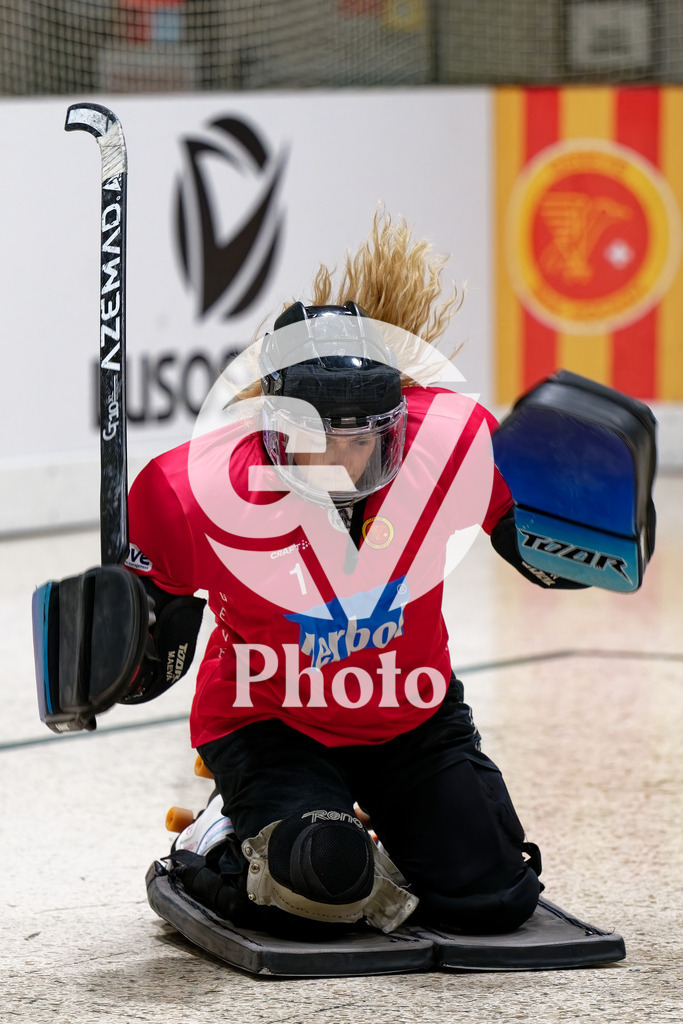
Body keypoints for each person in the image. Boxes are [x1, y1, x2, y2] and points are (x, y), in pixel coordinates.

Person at [38, 211, 594, 939]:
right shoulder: (191, 491)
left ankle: (371, 824)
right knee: (321, 890)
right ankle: (213, 839)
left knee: (494, 899)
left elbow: (540, 549)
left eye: (363, 439)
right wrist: (115, 651)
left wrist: (594, 531)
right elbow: (157, 647)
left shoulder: (454, 441)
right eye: (314, 440)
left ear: (396, 422)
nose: (343, 461)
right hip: (269, 721)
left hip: (411, 713)